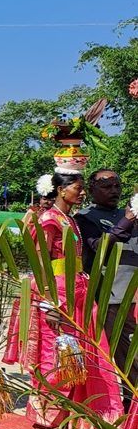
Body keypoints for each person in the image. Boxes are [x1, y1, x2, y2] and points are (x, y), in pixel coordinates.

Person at [3, 171, 123, 429]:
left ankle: (77, 415)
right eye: (78, 188)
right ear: (60, 189)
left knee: (80, 354)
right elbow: (41, 261)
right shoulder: (48, 220)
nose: (82, 193)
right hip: (57, 292)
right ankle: (51, 415)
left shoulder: (70, 219)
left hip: (76, 290)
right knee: (56, 354)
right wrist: (48, 302)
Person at [75, 169, 138, 409]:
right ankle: (127, 404)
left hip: (135, 293)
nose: (114, 191)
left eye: (117, 186)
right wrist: (127, 221)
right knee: (125, 354)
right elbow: (99, 247)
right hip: (113, 296)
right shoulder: (85, 218)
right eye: (107, 186)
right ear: (91, 189)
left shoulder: (127, 213)